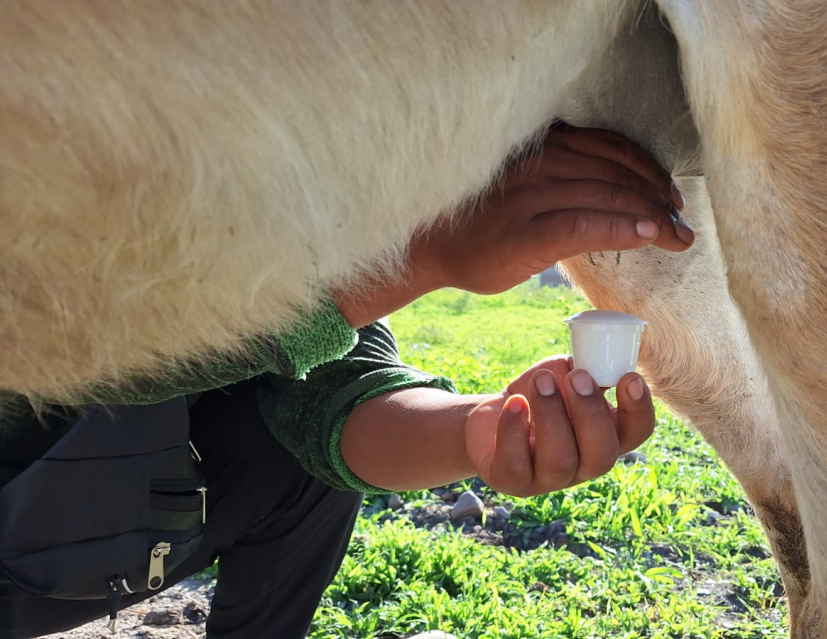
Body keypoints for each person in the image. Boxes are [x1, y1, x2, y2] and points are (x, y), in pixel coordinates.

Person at [0, 125, 694, 638]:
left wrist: (480, 431)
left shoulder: (240, 174)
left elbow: (340, 393)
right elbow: (67, 362)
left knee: (295, 456)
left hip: (83, 529)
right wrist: (416, 259)